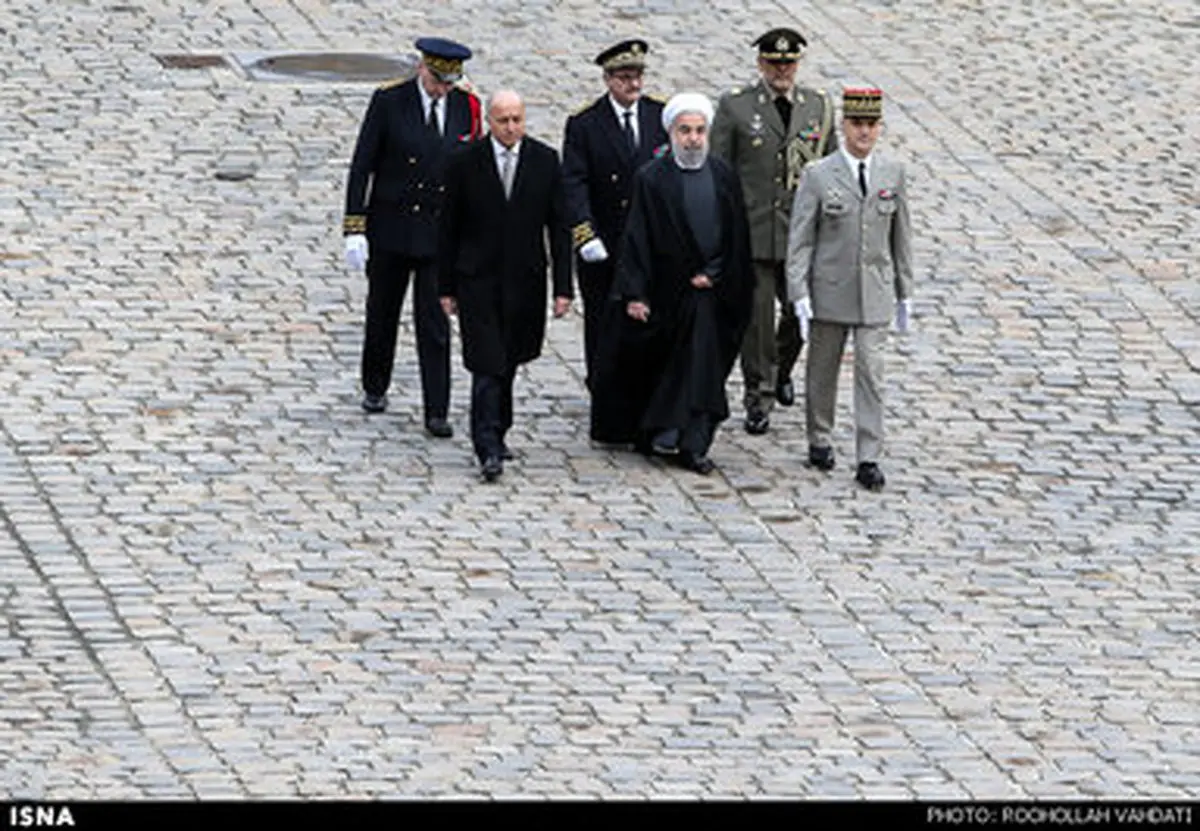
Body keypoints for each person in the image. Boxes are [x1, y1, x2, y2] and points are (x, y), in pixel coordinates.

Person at [590, 93, 754, 475]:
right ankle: (662, 430)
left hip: (711, 296)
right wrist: (635, 293)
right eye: (685, 131)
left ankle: (694, 441)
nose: (693, 139)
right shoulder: (652, 178)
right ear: (672, 134)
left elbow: (735, 238)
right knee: (670, 367)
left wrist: (715, 273)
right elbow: (637, 238)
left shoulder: (723, 175)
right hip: (667, 295)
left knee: (703, 368)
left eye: (699, 131)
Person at [342, 37, 484, 437]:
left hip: (438, 235)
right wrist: (355, 227)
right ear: (423, 68)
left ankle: (436, 409)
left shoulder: (467, 107)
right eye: (438, 80)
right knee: (382, 313)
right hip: (391, 226)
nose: (443, 89)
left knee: (435, 322)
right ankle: (375, 384)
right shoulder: (390, 102)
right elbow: (362, 166)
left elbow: (471, 172)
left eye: (450, 83)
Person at [438, 90, 572, 482]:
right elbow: (448, 229)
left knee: (509, 361)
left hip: (525, 282)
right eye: (503, 121)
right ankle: (486, 446)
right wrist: (445, 286)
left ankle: (500, 428)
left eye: (517, 119)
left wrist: (564, 287)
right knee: (486, 364)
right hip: (477, 281)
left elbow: (558, 227)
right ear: (490, 123)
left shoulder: (545, 161)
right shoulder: (464, 163)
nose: (511, 128)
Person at [785, 87, 913, 491]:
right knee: (823, 369)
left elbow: (900, 236)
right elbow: (802, 237)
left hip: (874, 289)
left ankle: (868, 454)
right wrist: (798, 290)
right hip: (830, 288)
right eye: (857, 124)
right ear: (843, 126)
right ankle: (819, 436)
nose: (864, 132)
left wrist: (904, 290)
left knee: (872, 373)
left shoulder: (891, 173)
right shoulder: (819, 174)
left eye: (871, 125)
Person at [711, 26, 837, 436]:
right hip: (755, 231)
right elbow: (720, 170)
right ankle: (759, 396)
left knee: (802, 313)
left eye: (789, 63)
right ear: (761, 63)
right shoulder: (736, 108)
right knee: (758, 319)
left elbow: (831, 167)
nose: (782, 70)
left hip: (801, 233)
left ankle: (781, 368)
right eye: (774, 63)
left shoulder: (817, 107)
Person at [561, 39, 669, 403]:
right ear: (608, 80)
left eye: (637, 76)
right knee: (602, 322)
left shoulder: (660, 117)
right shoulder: (585, 123)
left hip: (649, 242)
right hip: (606, 240)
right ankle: (603, 392)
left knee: (647, 319)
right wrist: (584, 233)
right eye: (625, 77)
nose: (633, 85)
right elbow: (574, 183)